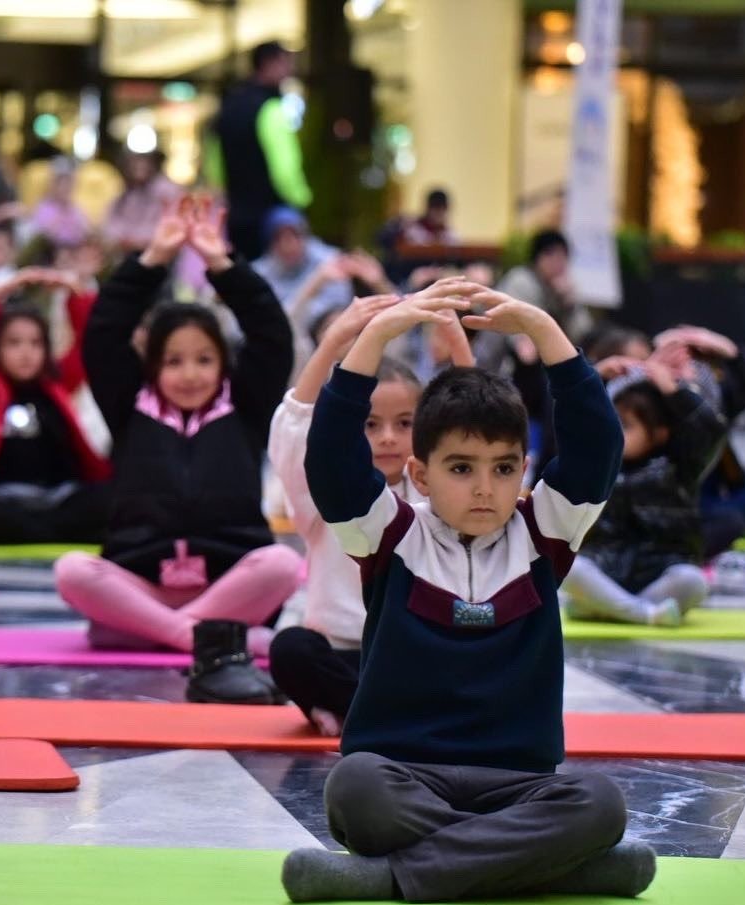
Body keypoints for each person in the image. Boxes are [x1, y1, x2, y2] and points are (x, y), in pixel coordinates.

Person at [285, 280, 655, 904]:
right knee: (353, 787)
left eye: (504, 467)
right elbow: (328, 460)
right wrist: (376, 336)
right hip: (403, 778)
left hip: (519, 784)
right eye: (462, 468)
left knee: (599, 803)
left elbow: (597, 448)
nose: (485, 488)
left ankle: (394, 879)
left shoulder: (544, 532)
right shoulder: (390, 534)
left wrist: (545, 331)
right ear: (421, 475)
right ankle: (549, 866)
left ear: (523, 470)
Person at [55, 197, 303, 705]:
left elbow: (271, 333)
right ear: (152, 366)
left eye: (204, 359)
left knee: (282, 564)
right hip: (142, 584)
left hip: (232, 583)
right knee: (72, 570)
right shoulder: (130, 405)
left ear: (224, 363)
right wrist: (154, 258)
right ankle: (208, 639)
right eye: (174, 361)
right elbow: (103, 333)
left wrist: (221, 265)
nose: (190, 374)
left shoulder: (246, 405)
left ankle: (153, 631)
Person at [268, 295, 470, 736]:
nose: (388, 438)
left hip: (413, 652)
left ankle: (355, 713)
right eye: (371, 424)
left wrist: (455, 340)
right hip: (340, 653)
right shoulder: (328, 492)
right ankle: (376, 713)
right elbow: (296, 429)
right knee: (290, 650)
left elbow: (475, 422)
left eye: (404, 423)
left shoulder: (441, 491)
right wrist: (336, 340)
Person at [0, 266, 111, 543]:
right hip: (1, 498)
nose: (26, 353)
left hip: (58, 496)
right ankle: (48, 532)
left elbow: (92, 345)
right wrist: (5, 288)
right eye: (13, 343)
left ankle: (45, 531)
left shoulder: (58, 385)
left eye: (36, 343)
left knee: (109, 500)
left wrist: (76, 294)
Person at [562, 356, 726, 627]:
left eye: (626, 426)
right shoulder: (599, 462)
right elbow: (572, 422)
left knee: (693, 581)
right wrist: (595, 379)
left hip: (660, 568)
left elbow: (710, 431)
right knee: (571, 570)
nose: (615, 431)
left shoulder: (679, 466)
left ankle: (605, 608)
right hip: (607, 566)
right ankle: (644, 614)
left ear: (660, 433)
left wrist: (674, 390)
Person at [208, 40, 312, 261]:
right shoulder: (271, 108)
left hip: (236, 214)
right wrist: (300, 200)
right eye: (286, 64)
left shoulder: (229, 106)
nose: (290, 71)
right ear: (269, 63)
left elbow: (214, 162)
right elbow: (284, 165)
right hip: (271, 217)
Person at [101, 151, 182, 259]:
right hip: (127, 254)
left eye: (144, 163)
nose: (139, 167)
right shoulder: (124, 191)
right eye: (134, 164)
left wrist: (142, 241)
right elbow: (111, 224)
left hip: (159, 256)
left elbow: (173, 225)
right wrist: (121, 240)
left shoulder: (166, 190)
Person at [30, 157, 90, 250]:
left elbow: (84, 234)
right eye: (61, 183)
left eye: (69, 183)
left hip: (73, 253)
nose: (65, 188)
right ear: (53, 185)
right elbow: (41, 237)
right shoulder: (44, 208)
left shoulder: (76, 209)